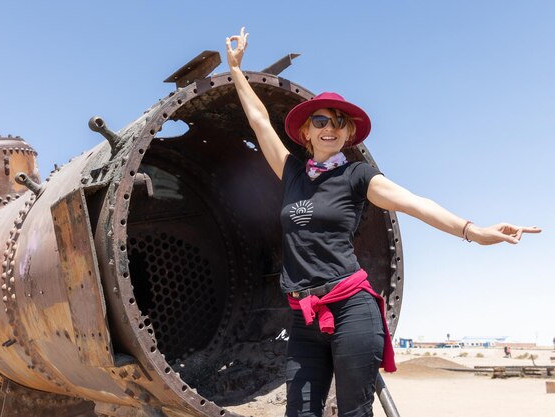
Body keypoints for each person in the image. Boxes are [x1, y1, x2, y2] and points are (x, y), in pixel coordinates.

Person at [225, 27, 541, 417]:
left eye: (338, 123)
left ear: (347, 133)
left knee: (354, 412)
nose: (329, 128)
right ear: (305, 131)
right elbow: (259, 121)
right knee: (300, 412)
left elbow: (414, 203)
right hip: (304, 316)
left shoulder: (357, 176)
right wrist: (236, 69)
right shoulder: (291, 171)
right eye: (321, 120)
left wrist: (473, 232)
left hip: (350, 309)